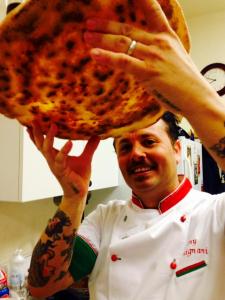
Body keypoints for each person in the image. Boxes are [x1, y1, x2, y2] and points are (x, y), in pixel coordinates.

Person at [27, 0, 225, 299]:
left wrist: (194, 96)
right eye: (124, 146)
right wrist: (73, 196)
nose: (136, 154)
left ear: (177, 149)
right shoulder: (104, 220)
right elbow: (43, 287)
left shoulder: (214, 213)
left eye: (149, 141)